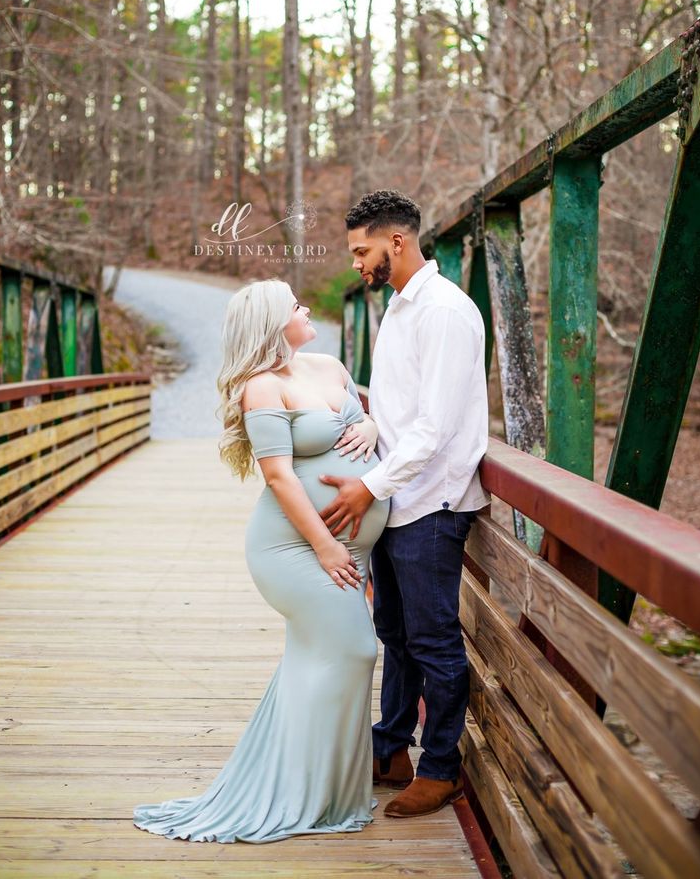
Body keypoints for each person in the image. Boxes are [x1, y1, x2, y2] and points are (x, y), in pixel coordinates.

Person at [132, 278, 390, 843]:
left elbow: (369, 418)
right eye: (294, 305)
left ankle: (321, 790)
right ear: (274, 325)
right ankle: (302, 794)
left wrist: (371, 423)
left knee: (314, 661)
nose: (304, 307)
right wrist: (325, 546)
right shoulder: (260, 388)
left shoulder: (328, 366)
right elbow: (276, 474)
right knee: (355, 648)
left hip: (349, 546)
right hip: (295, 548)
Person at [320, 189, 490, 819]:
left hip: (433, 503)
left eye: (362, 250)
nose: (355, 264)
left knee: (434, 639)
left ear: (396, 242)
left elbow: (437, 427)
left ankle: (442, 768)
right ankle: (391, 748)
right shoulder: (398, 308)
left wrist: (369, 485)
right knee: (394, 632)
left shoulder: (444, 311)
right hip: (398, 496)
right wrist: (368, 426)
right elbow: (401, 408)